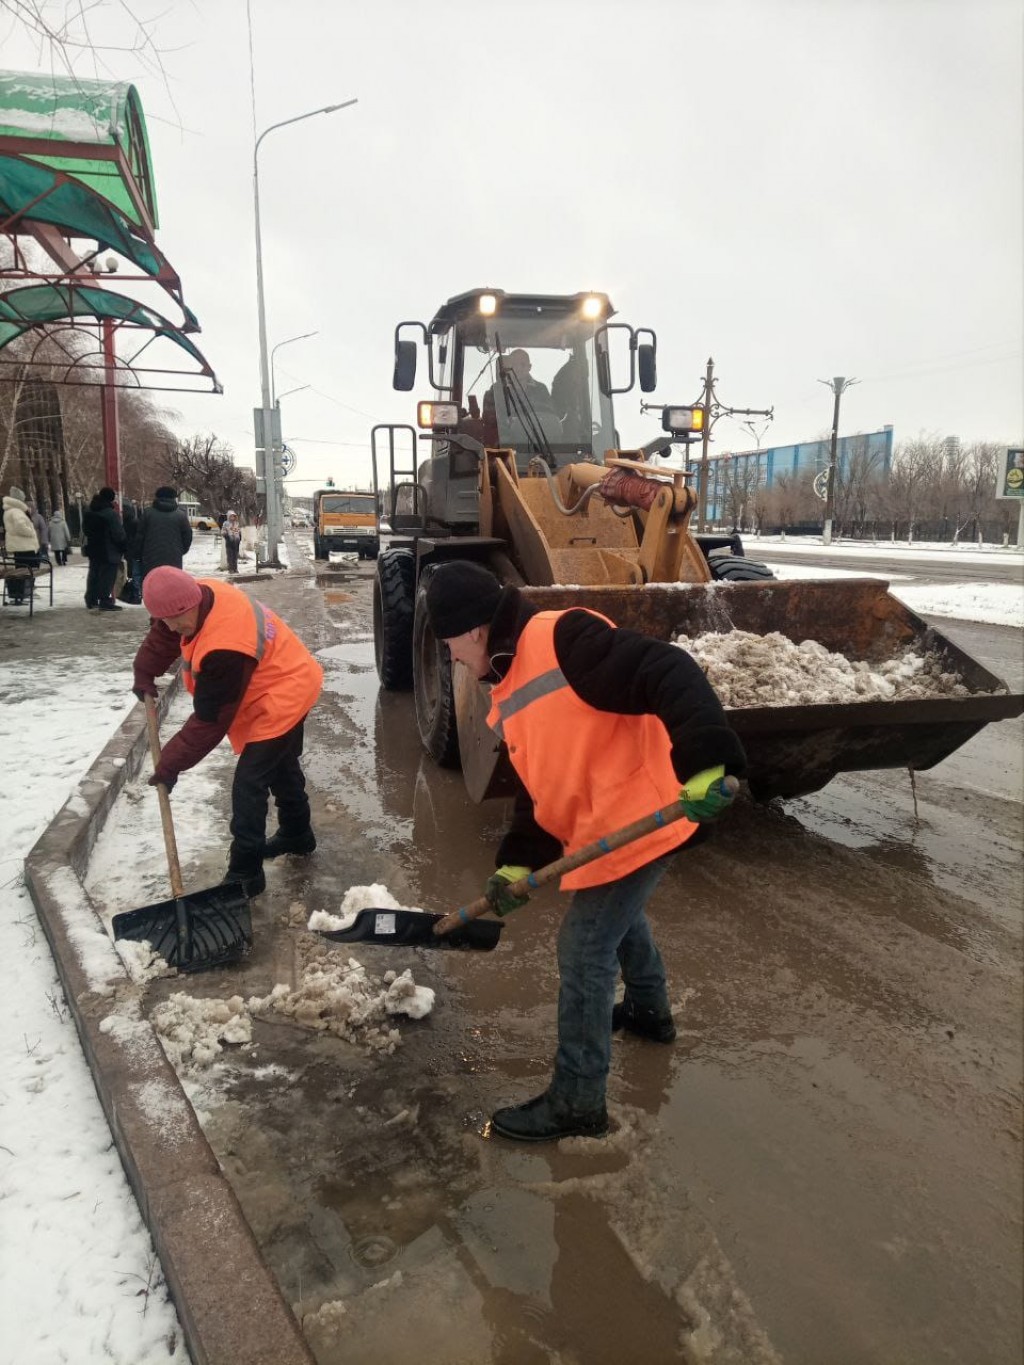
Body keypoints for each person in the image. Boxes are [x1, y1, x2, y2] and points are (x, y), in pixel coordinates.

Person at [424, 561, 746, 1143]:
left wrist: (707, 760)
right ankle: (651, 1016)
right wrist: (517, 860)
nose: (452, 658)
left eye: (450, 644)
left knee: (583, 946)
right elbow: (540, 785)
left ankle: (577, 1100)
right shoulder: (510, 679)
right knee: (620, 922)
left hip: (646, 817)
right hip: (603, 831)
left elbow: (666, 668)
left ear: (473, 629)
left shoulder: (562, 638)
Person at [132, 566, 324, 895]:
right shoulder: (195, 593)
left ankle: (245, 873)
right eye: (168, 620)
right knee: (279, 764)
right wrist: (144, 671)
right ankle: (297, 833)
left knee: (250, 781)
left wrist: (170, 763)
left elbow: (210, 721)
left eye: (182, 617)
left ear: (193, 599)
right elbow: (165, 633)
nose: (178, 627)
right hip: (269, 679)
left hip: (286, 687)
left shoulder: (224, 646)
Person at [132, 486, 193, 584]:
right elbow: (188, 537)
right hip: (174, 557)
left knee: (152, 584)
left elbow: (140, 537)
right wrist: (179, 550)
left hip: (150, 557)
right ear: (174, 498)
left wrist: (138, 554)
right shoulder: (181, 515)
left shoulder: (148, 514)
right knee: (172, 584)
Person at [82, 487, 127, 611]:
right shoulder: (110, 514)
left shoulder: (89, 511)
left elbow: (85, 530)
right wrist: (124, 546)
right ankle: (105, 600)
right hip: (109, 550)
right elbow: (118, 534)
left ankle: (90, 598)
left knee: (94, 573)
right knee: (107, 576)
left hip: (93, 548)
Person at [2, 485, 40, 605]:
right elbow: (20, 526)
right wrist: (31, 531)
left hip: (19, 545)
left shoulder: (10, 510)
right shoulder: (17, 511)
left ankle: (22, 592)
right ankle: (25, 591)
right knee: (28, 568)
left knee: (22, 569)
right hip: (24, 545)